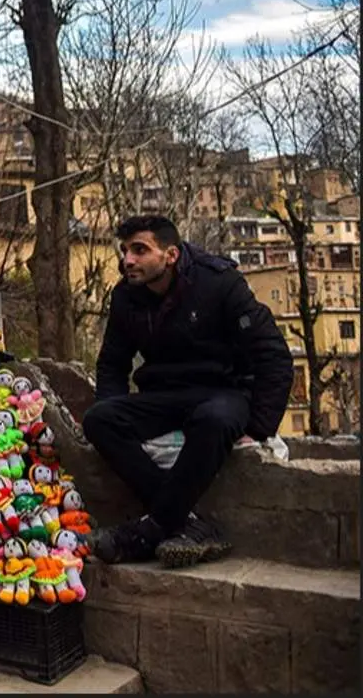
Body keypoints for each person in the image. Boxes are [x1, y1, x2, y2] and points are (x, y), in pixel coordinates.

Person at [83, 215, 294, 568]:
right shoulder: (125, 296)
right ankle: (186, 523)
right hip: (164, 395)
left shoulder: (219, 283)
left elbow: (273, 355)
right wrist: (112, 404)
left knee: (212, 419)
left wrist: (258, 428)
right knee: (100, 420)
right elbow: (112, 364)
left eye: (139, 250)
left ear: (170, 255)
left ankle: (148, 530)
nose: (128, 260)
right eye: (124, 251)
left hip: (223, 392)